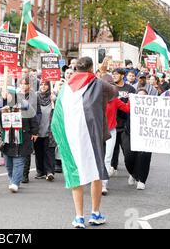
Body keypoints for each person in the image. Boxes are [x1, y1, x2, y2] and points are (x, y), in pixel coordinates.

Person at [51, 57, 118, 229]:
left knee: (75, 173)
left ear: (75, 68)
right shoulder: (98, 83)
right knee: (95, 173)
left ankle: (79, 217)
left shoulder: (65, 87)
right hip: (93, 136)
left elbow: (57, 116)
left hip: (72, 137)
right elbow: (114, 93)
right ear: (91, 68)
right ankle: (95, 213)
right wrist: (102, 74)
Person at [0, 104, 39, 193]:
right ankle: (13, 180)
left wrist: (35, 132)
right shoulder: (2, 107)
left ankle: (15, 183)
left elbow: (34, 119)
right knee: (9, 164)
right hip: (7, 140)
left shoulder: (26, 106)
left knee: (19, 162)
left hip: (22, 139)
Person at [102, 75, 130, 195]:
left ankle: (103, 184)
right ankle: (95, 180)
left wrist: (132, 99)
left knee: (107, 158)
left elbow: (127, 109)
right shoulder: (95, 98)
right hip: (96, 131)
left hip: (111, 131)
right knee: (96, 157)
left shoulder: (115, 100)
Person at [122, 89, 152, 190]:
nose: (141, 98)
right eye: (138, 96)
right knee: (128, 157)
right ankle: (133, 173)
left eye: (143, 96)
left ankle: (142, 180)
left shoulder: (152, 107)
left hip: (146, 135)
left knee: (144, 157)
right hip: (129, 134)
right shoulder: (130, 105)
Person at [109, 68, 137, 176]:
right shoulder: (111, 88)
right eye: (113, 74)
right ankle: (113, 167)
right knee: (113, 148)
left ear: (122, 75)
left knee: (127, 150)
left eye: (116, 74)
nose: (114, 76)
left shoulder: (130, 89)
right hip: (113, 123)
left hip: (126, 124)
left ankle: (131, 171)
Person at [34, 81, 56, 181]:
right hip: (38, 129)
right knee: (38, 151)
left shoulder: (53, 97)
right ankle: (40, 171)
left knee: (49, 151)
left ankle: (49, 172)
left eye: (46, 84)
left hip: (50, 129)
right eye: (42, 84)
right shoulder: (35, 96)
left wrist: (55, 101)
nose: (43, 86)